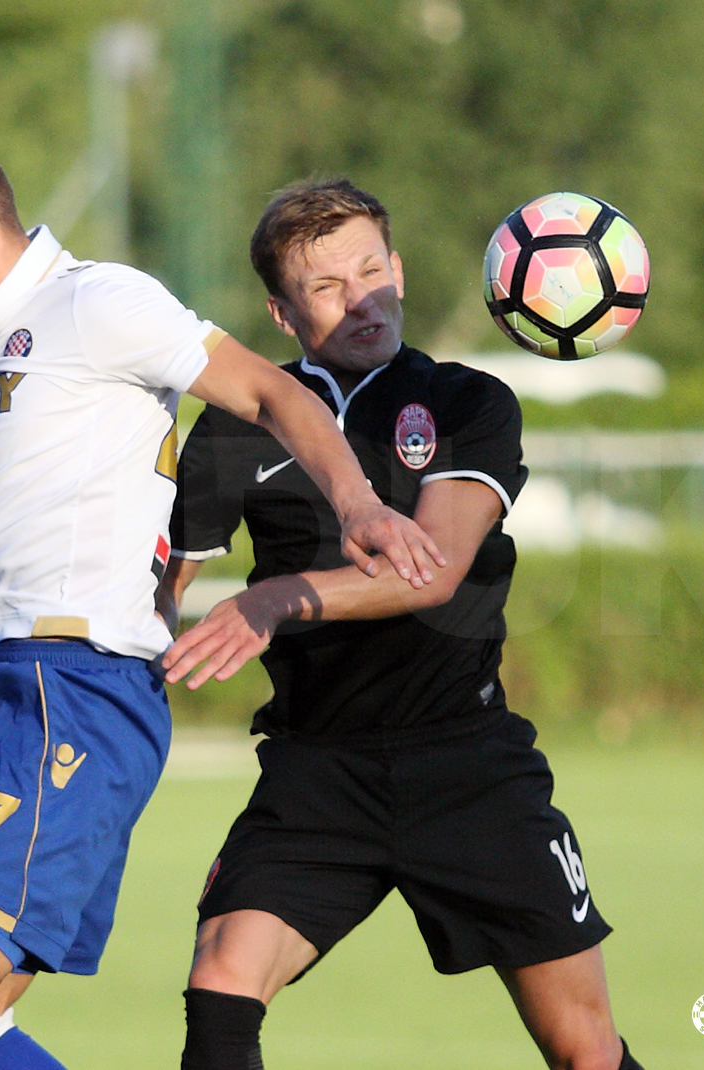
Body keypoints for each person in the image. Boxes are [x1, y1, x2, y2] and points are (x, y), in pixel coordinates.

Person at [0, 130, 444, 1070]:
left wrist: (361, 503)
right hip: (24, 689)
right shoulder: (5, 344)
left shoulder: (93, 300)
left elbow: (270, 396)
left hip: (65, 695)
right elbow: (77, 529)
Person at [160, 178, 645, 1070]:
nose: (361, 302)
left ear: (401, 271)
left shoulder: (469, 402)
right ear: (280, 312)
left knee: (584, 1047)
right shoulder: (234, 429)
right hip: (315, 771)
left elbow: (433, 568)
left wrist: (272, 598)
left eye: (371, 271)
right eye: (325, 287)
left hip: (468, 764)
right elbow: (155, 585)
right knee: (221, 979)